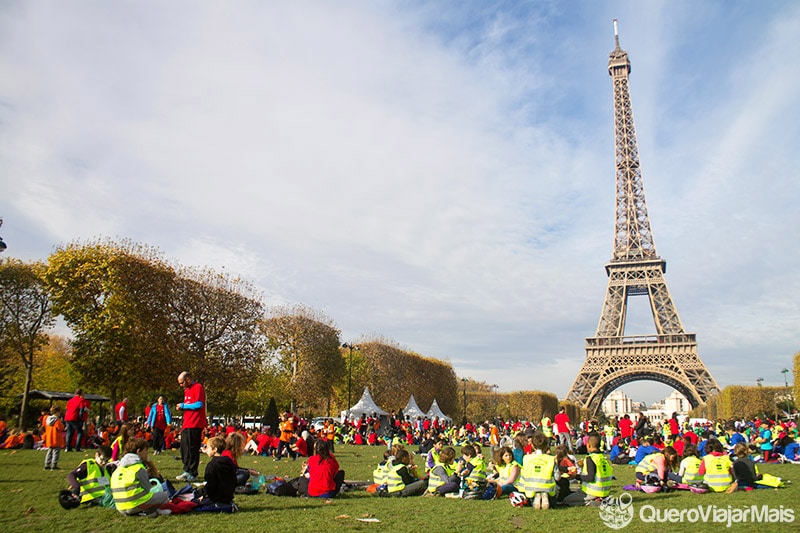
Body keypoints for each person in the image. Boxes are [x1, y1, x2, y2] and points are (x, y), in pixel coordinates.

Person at [110, 438, 169, 516]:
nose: (147, 454)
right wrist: (149, 464)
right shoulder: (138, 467)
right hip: (134, 504)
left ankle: (142, 512)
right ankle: (148, 512)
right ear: (138, 451)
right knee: (164, 496)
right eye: (145, 451)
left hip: (120, 507)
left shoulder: (119, 468)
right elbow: (147, 488)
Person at [564, 435, 612, 506]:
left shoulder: (590, 458)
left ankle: (593, 502)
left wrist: (575, 476)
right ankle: (601, 499)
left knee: (566, 500)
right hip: (604, 491)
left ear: (589, 445)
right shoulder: (603, 458)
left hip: (592, 492)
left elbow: (590, 478)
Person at [176, 371, 206, 482]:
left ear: (188, 379)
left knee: (192, 448)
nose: (181, 385)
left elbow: (199, 404)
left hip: (195, 423)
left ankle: (193, 473)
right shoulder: (187, 390)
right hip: (187, 423)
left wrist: (184, 406)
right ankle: (186, 470)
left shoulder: (198, 387)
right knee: (184, 448)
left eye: (182, 383)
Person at [195, 436, 238, 510]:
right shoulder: (229, 461)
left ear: (215, 449)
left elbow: (211, 486)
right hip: (228, 496)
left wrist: (200, 494)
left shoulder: (212, 465)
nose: (206, 450)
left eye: (207, 447)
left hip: (216, 497)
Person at [521, 432, 558, 510]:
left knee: (531, 499)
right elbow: (557, 477)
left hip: (531, 489)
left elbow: (523, 475)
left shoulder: (526, 458)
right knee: (554, 501)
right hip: (548, 489)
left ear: (532, 445)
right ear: (546, 446)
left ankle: (537, 497)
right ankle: (544, 495)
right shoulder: (551, 459)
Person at [44, 405, 66, 470]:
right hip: (56, 438)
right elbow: (60, 428)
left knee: (49, 452)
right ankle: (54, 464)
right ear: (57, 412)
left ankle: (47, 464)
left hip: (49, 438)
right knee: (56, 452)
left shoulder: (47, 420)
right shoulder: (57, 420)